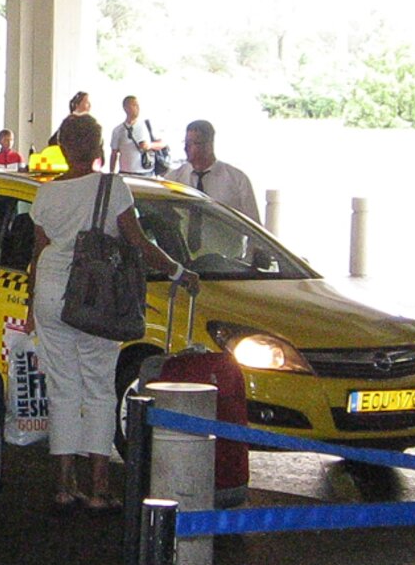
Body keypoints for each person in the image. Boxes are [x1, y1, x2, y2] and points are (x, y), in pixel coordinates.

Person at [30, 115, 194, 512]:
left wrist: (31, 307)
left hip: (50, 295)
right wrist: (177, 270)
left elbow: (36, 255)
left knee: (63, 387)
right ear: (99, 146)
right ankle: (99, 487)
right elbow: (137, 242)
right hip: (95, 297)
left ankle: (65, 484)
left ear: (63, 147)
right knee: (100, 388)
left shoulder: (45, 194)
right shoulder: (112, 186)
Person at [169, 119, 260, 222]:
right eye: (186, 142)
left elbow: (253, 223)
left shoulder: (237, 180)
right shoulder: (174, 179)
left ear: (209, 145)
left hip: (224, 237)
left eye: (193, 143)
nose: (186, 148)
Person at [109, 97, 170, 176]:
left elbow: (163, 143)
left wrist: (149, 145)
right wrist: (111, 173)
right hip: (125, 173)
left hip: (146, 173)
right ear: (125, 108)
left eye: (138, 105)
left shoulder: (147, 125)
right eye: (134, 105)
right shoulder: (118, 130)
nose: (137, 108)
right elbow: (114, 153)